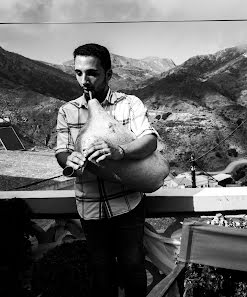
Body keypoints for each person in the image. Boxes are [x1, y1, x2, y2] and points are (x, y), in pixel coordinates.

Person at [55, 43, 159, 297]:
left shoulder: (129, 104)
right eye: (78, 73)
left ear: (108, 74)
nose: (84, 80)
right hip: (89, 207)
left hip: (128, 204)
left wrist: (119, 152)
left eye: (91, 73)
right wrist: (70, 161)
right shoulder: (67, 111)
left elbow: (150, 140)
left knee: (134, 269)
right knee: (102, 275)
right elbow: (61, 151)